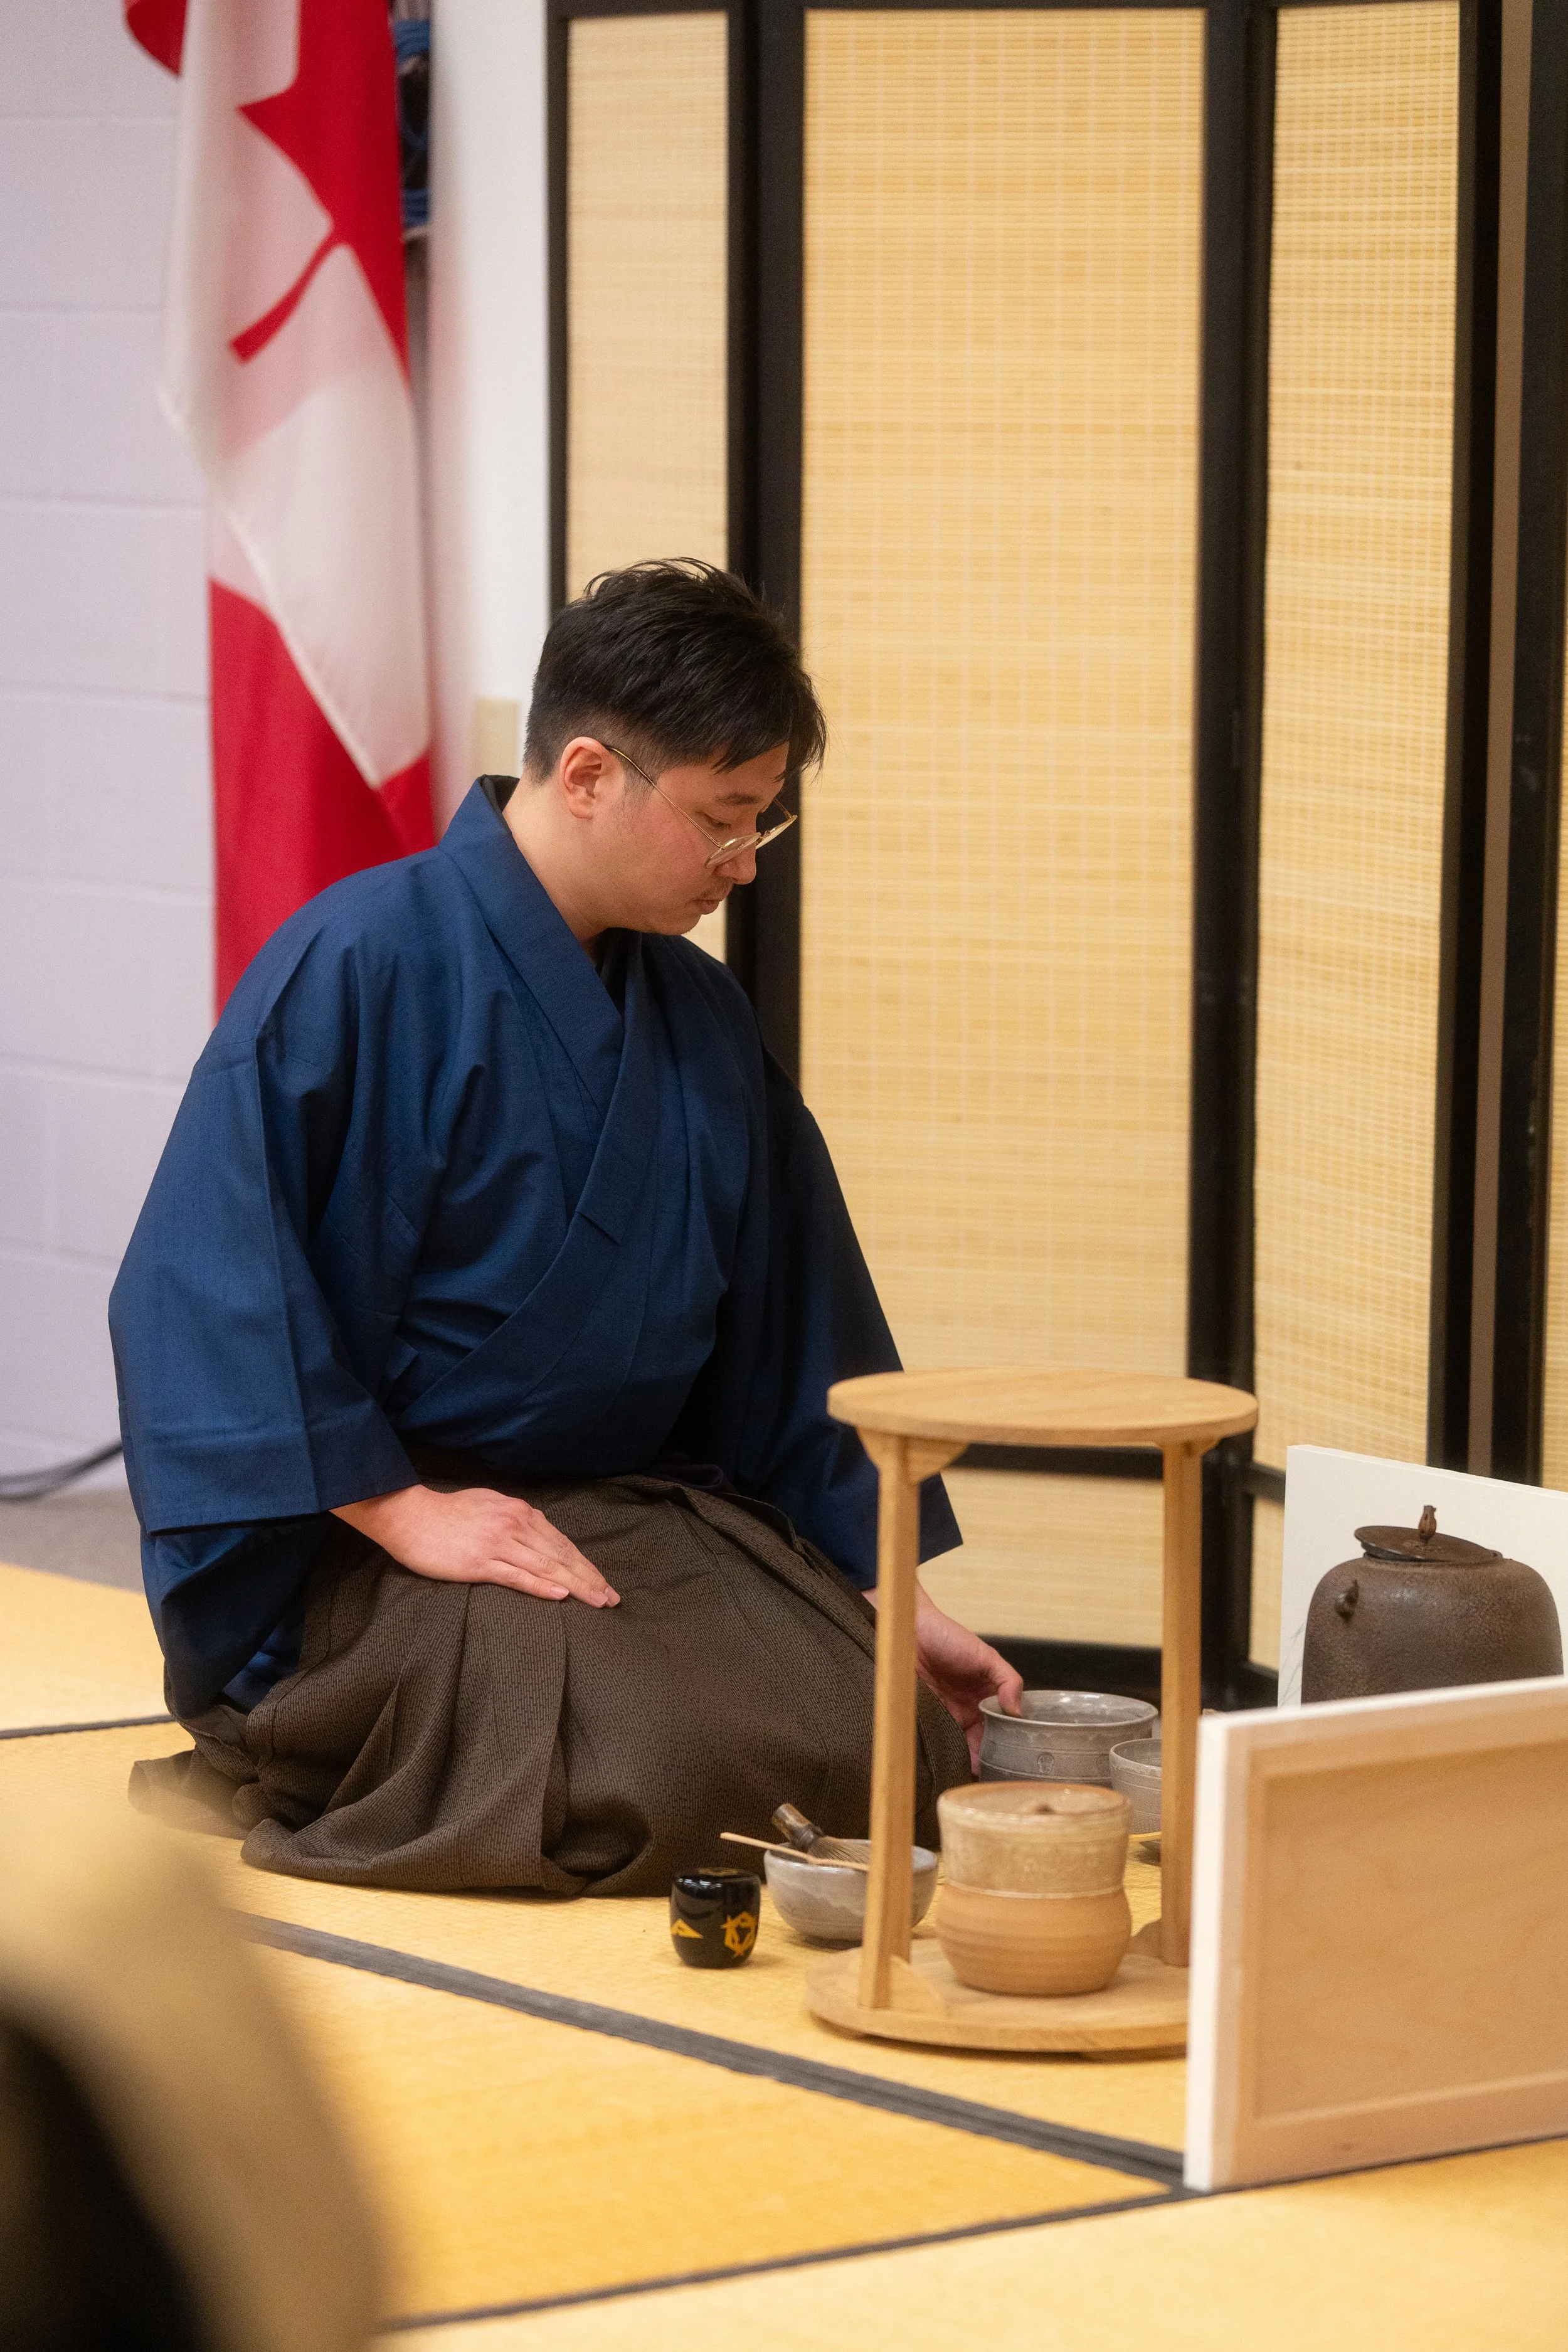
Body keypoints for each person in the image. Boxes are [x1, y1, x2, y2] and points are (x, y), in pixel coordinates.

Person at [111, 561, 1022, 1895]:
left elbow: (790, 1334)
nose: (741, 866)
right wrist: (400, 1507)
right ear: (589, 772)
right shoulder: (357, 962)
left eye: (759, 826)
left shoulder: (700, 1020)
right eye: (723, 819)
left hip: (625, 1512)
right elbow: (205, 1287)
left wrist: (884, 1594)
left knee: (878, 1747)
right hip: (365, 1535)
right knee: (655, 1766)